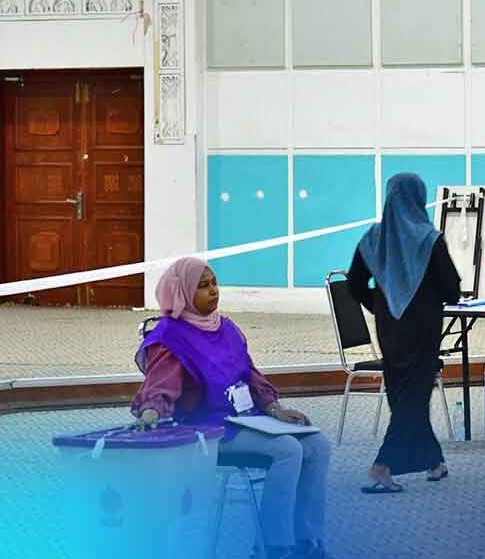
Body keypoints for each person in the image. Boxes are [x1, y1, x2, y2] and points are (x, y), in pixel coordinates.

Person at [131, 257, 331, 559]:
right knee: (288, 449)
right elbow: (161, 384)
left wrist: (274, 408)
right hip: (205, 429)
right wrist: (151, 412)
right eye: (203, 286)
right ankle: (273, 547)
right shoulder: (170, 337)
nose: (213, 291)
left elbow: (248, 374)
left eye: (214, 283)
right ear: (182, 293)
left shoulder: (226, 328)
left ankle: (308, 541)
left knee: (317, 444)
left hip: (245, 420)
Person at [348, 173, 461, 494]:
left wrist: (380, 305)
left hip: (389, 327)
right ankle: (382, 465)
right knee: (414, 395)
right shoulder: (429, 239)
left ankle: (433, 460)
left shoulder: (373, 237)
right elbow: (452, 290)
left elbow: (354, 284)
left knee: (404, 393)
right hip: (423, 328)